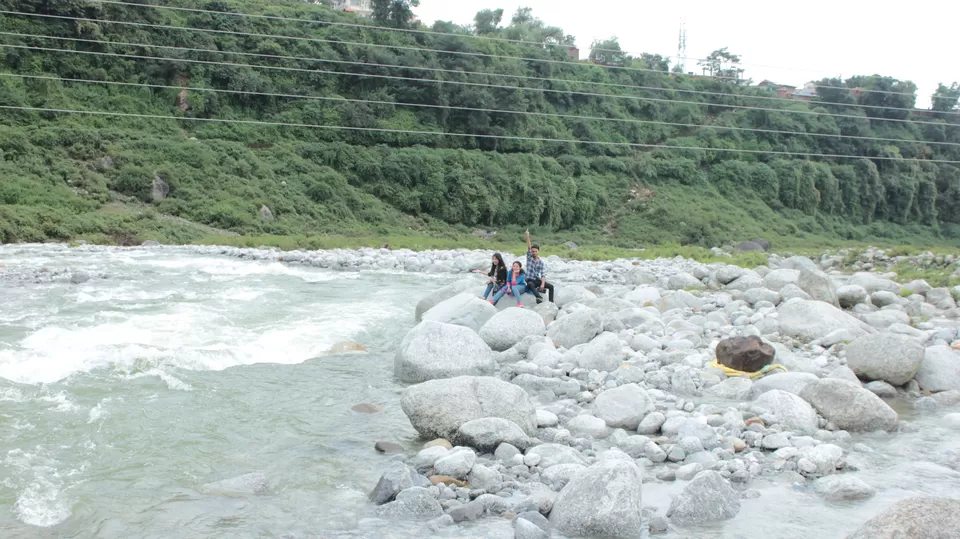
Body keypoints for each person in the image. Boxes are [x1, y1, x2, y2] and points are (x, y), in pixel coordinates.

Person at [524, 230, 555, 304]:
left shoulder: (541, 262)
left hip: (536, 280)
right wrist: (527, 236)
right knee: (530, 284)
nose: (534, 253)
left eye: (536, 251)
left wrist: (542, 284)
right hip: (529, 280)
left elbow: (543, 274)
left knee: (551, 287)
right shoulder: (529, 258)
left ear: (538, 251)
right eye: (533, 251)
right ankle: (539, 297)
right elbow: (529, 247)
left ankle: (551, 303)